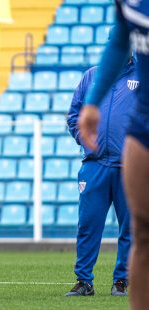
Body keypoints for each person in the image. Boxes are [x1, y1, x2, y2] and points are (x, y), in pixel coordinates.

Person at [78, 1, 149, 308]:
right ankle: (87, 281)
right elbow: (122, 37)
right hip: (140, 128)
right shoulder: (132, 4)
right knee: (141, 232)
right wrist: (92, 103)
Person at [66, 55, 137, 297]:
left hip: (130, 167)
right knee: (88, 225)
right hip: (95, 165)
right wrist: (83, 139)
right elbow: (73, 114)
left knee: (129, 228)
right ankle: (84, 281)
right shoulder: (91, 76)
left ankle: (122, 281)